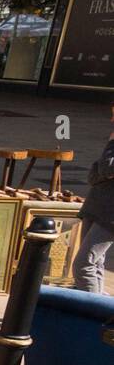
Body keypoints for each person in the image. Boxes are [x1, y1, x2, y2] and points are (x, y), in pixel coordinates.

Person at [71, 105, 114, 294]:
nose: (112, 120)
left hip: (110, 213)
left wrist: (112, 143)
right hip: (97, 205)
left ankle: (91, 312)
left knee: (83, 265)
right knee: (95, 264)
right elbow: (94, 175)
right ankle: (99, 312)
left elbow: (106, 169)